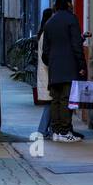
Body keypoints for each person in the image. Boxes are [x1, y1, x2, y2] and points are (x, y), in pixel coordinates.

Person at [40, 0, 86, 142]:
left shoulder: (50, 22)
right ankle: (65, 131)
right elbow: (76, 44)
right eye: (71, 2)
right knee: (67, 100)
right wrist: (81, 65)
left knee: (56, 100)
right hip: (69, 67)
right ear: (68, 4)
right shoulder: (71, 19)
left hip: (54, 68)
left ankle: (56, 130)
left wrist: (51, 62)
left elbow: (45, 51)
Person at [35, 8, 53, 138]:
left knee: (51, 103)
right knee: (50, 103)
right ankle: (42, 129)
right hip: (47, 73)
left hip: (45, 73)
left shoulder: (42, 33)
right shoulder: (46, 34)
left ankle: (47, 129)